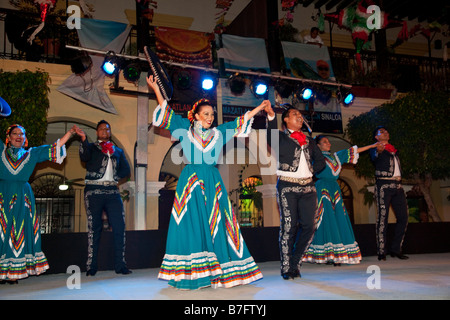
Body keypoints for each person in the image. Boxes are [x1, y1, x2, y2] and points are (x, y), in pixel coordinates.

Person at [147, 74, 267, 290]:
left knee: (219, 223)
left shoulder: (219, 133)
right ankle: (195, 273)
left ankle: (220, 269)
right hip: (191, 181)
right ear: (195, 116)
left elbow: (240, 121)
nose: (210, 117)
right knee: (191, 224)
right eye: (206, 114)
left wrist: (259, 108)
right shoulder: (184, 128)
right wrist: (156, 89)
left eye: (212, 114)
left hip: (212, 181)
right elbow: (166, 112)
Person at [0, 123, 75, 283]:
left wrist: (70, 133)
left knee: (17, 232)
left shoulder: (31, 154)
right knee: (2, 231)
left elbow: (53, 148)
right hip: (3, 194)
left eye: (22, 134)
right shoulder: (0, 151)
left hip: (22, 196)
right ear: (8, 138)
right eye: (15, 133)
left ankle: (13, 272)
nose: (19, 136)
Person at [265, 104, 326, 280]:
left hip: (308, 188)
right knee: (289, 227)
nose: (299, 116)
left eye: (300, 114)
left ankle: (295, 263)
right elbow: (269, 134)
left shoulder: (309, 141)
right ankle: (286, 266)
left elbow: (320, 161)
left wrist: (311, 173)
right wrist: (270, 116)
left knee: (309, 226)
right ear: (285, 120)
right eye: (294, 114)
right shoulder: (280, 138)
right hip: (287, 187)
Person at [303, 135, 378, 265]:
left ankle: (337, 252)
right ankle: (328, 254)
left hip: (335, 188)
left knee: (338, 217)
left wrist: (372, 146)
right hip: (322, 188)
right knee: (326, 218)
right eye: (324, 142)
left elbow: (354, 151)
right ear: (318, 146)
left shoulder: (336, 157)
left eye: (328, 142)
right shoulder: (315, 158)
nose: (329, 144)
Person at [73, 121, 132, 276]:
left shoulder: (117, 151)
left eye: (107, 129)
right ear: (97, 132)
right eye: (101, 129)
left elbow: (126, 169)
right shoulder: (91, 147)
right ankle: (91, 266)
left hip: (112, 191)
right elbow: (84, 156)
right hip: (93, 190)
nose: (105, 131)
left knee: (119, 226)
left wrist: (115, 178)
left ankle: (120, 265)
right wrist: (83, 139)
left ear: (110, 132)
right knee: (95, 227)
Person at [370, 126, 409, 261]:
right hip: (384, 186)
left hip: (398, 186)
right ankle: (381, 251)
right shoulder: (375, 148)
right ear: (376, 137)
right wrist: (378, 151)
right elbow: (375, 156)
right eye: (381, 132)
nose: (385, 133)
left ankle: (396, 249)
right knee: (383, 218)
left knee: (403, 217)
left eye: (386, 131)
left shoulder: (393, 150)